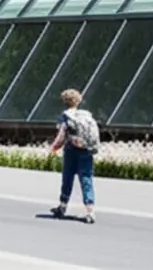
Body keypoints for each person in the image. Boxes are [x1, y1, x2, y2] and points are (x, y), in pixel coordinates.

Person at [48, 88, 98, 224]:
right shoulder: (87, 115)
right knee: (86, 179)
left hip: (72, 150)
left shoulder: (66, 116)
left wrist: (53, 148)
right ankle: (90, 211)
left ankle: (62, 207)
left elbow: (62, 135)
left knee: (67, 178)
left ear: (65, 102)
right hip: (86, 150)